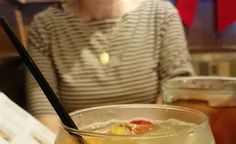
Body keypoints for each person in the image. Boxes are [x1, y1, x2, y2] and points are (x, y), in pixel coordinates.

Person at [26, 0, 194, 132]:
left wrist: (143, 140)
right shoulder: (46, 26)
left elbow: (177, 89)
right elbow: (46, 113)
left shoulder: (162, 15)